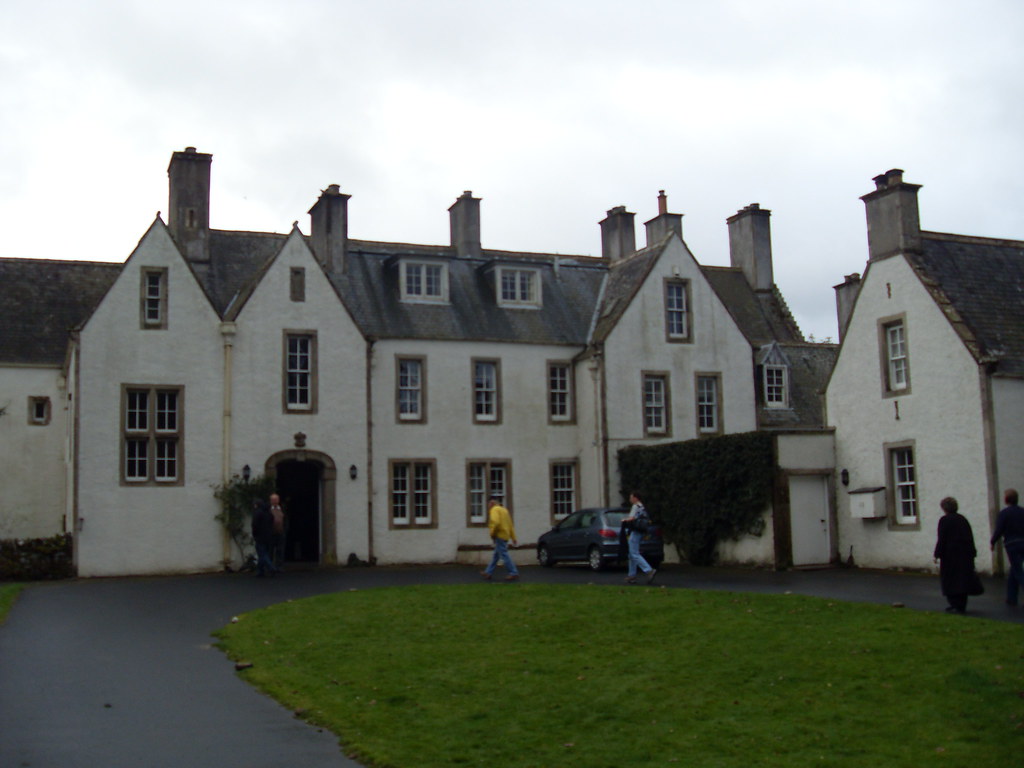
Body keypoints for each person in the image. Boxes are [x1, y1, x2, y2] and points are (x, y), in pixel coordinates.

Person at [933, 496, 977, 613]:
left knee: (950, 580)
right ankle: (961, 604)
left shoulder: (944, 520)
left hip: (950, 555)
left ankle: (954, 603)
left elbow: (942, 538)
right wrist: (973, 552)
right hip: (965, 554)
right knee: (963, 580)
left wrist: (937, 553)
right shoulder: (962, 519)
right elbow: (970, 537)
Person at [990, 488, 1024, 607]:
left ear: (1006, 500)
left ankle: (1012, 597)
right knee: (1014, 570)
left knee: (1018, 571)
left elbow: (999, 529)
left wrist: (993, 542)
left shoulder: (1004, 513)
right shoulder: (1022, 511)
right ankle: (1011, 597)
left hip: (1012, 544)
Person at [481, 497, 519, 581]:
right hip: (506, 535)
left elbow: (496, 522)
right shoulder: (504, 510)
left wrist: (492, 533)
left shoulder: (494, 510)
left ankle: (513, 572)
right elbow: (510, 525)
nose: (488, 506)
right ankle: (488, 572)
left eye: (488, 504)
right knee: (496, 555)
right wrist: (513, 537)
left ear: (492, 503)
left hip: (499, 535)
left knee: (504, 554)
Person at [623, 491, 657, 585]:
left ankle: (648, 570)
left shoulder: (635, 506)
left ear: (635, 498)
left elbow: (632, 518)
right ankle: (632, 575)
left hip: (635, 531)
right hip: (641, 530)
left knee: (634, 553)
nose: (630, 499)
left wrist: (624, 519)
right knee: (631, 553)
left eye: (631, 497)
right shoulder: (642, 507)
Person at [251, 499, 275, 578]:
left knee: (262, 553)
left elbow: (255, 525)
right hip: (268, 536)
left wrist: (254, 534)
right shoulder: (269, 513)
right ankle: (260, 571)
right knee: (264, 553)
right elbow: (272, 523)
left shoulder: (257, 513)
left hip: (260, 536)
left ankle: (270, 567)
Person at [269, 493, 286, 571]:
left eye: (276, 499)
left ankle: (279, 566)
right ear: (270, 501)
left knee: (280, 550)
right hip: (271, 533)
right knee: (270, 550)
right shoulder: (268, 509)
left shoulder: (282, 508)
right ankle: (270, 566)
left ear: (278, 500)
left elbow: (286, 520)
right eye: (273, 500)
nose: (275, 501)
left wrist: (285, 530)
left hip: (281, 533)